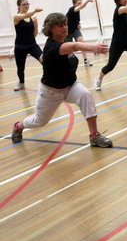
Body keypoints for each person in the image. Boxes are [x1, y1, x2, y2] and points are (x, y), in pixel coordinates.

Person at [11, 13, 112, 147]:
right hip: (50, 92)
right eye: (59, 25)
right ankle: (19, 126)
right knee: (39, 121)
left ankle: (94, 135)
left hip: (71, 86)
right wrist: (94, 47)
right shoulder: (54, 46)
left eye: (65, 24)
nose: (64, 27)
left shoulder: (61, 43)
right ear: (50, 29)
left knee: (86, 95)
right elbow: (75, 46)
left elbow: (53, 56)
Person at [13, 0, 43, 91]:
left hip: (32, 45)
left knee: (44, 60)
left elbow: (34, 35)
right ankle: (21, 82)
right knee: (20, 68)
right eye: (24, 4)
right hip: (20, 47)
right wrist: (34, 11)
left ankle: (50, 79)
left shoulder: (30, 18)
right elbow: (24, 16)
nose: (26, 6)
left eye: (27, 4)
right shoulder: (16, 17)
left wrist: (36, 25)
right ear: (18, 6)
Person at [66, 0, 95, 66]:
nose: (80, 4)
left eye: (81, 3)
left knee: (81, 41)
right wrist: (87, 1)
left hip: (75, 30)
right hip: (67, 32)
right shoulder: (72, 9)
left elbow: (74, 20)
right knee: (68, 48)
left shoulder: (77, 11)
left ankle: (85, 60)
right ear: (74, 4)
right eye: (78, 3)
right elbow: (81, 7)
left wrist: (78, 24)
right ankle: (67, 62)